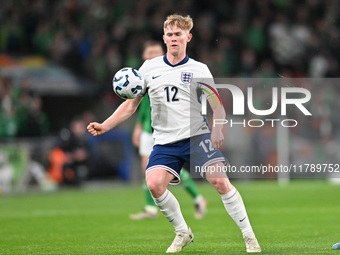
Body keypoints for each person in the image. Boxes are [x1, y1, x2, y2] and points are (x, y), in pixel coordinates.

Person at [87, 14, 261, 253]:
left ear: (188, 37)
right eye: (169, 35)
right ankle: (183, 232)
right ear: (164, 38)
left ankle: (249, 236)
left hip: (197, 136)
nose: (173, 38)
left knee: (220, 181)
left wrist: (218, 127)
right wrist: (105, 125)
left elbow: (217, 105)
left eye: (178, 34)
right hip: (165, 141)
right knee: (154, 184)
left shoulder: (199, 69)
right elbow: (131, 105)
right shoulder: (149, 68)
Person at [130, 41, 207, 220]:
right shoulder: (145, 75)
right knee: (148, 170)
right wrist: (138, 127)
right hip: (148, 131)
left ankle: (198, 197)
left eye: (157, 51)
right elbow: (139, 107)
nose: (155, 54)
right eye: (151, 51)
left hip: (166, 132)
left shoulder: (169, 75)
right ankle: (150, 209)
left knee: (168, 170)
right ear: (144, 56)